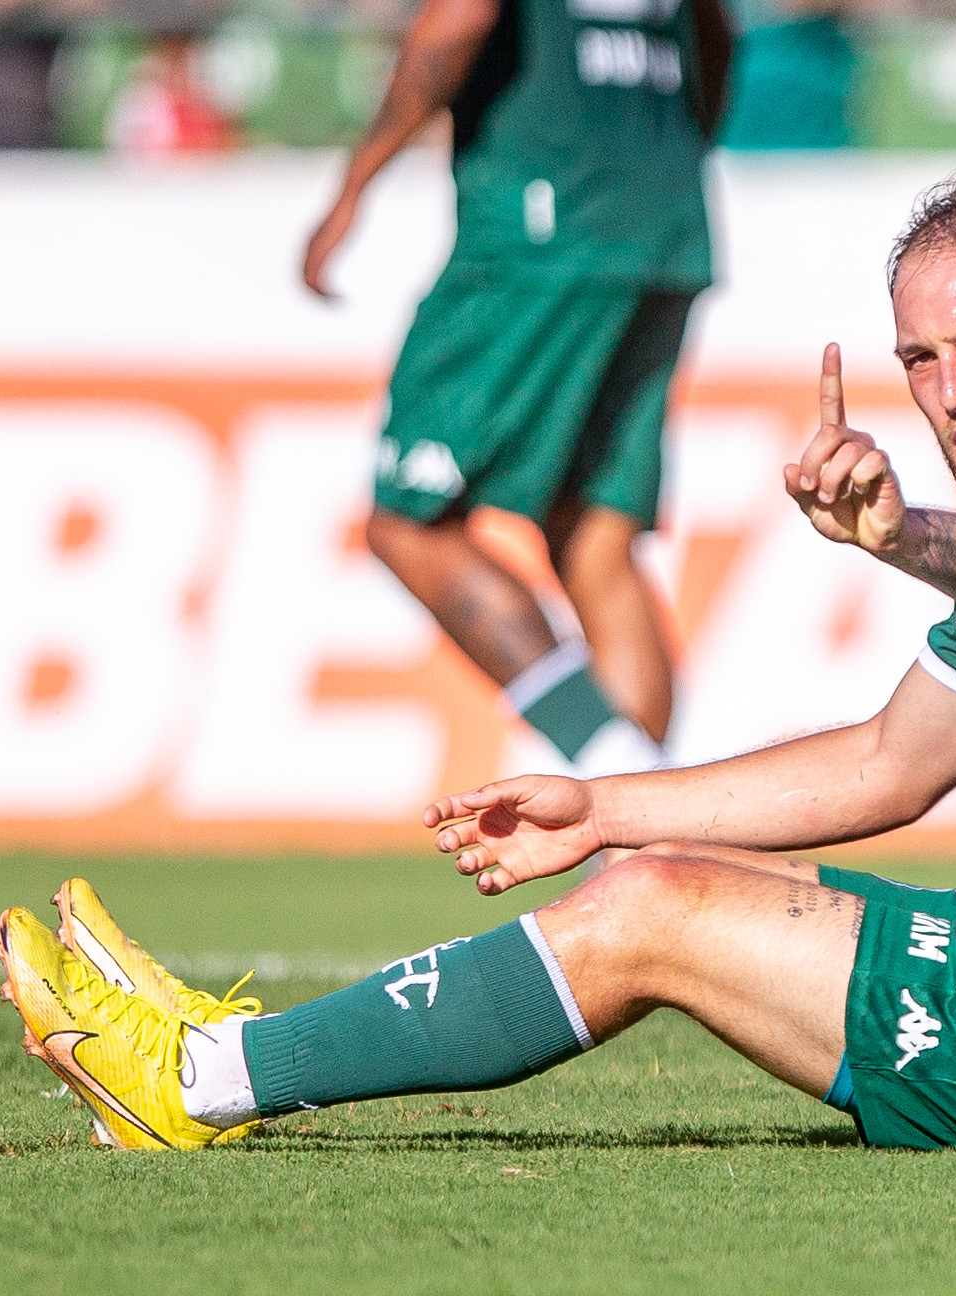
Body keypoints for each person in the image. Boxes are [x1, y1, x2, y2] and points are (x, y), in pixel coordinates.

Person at [0, 170, 956, 1154]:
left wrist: (911, 533)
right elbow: (886, 762)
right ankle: (222, 1055)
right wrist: (603, 808)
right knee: (650, 880)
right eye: (920, 358)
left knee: (656, 915)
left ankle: (195, 1081)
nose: (951, 390)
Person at [299, 0, 731, 777]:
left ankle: (615, 773)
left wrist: (354, 183)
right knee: (593, 536)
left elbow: (459, 19)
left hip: (543, 224)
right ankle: (642, 849)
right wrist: (667, 153)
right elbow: (715, 30)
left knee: (409, 523)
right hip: (667, 219)